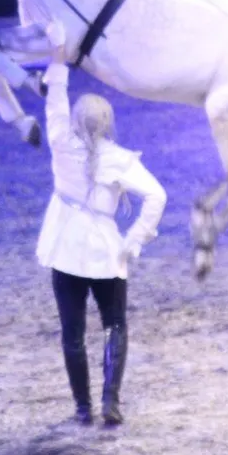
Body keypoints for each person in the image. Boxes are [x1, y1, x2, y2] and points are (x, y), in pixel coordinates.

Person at [37, 21, 166, 427]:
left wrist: (58, 50)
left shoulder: (60, 139)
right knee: (114, 326)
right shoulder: (120, 159)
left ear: (77, 121)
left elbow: (55, 94)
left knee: (71, 332)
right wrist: (136, 239)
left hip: (65, 248)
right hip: (106, 251)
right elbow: (157, 196)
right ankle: (111, 400)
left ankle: (82, 408)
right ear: (107, 124)